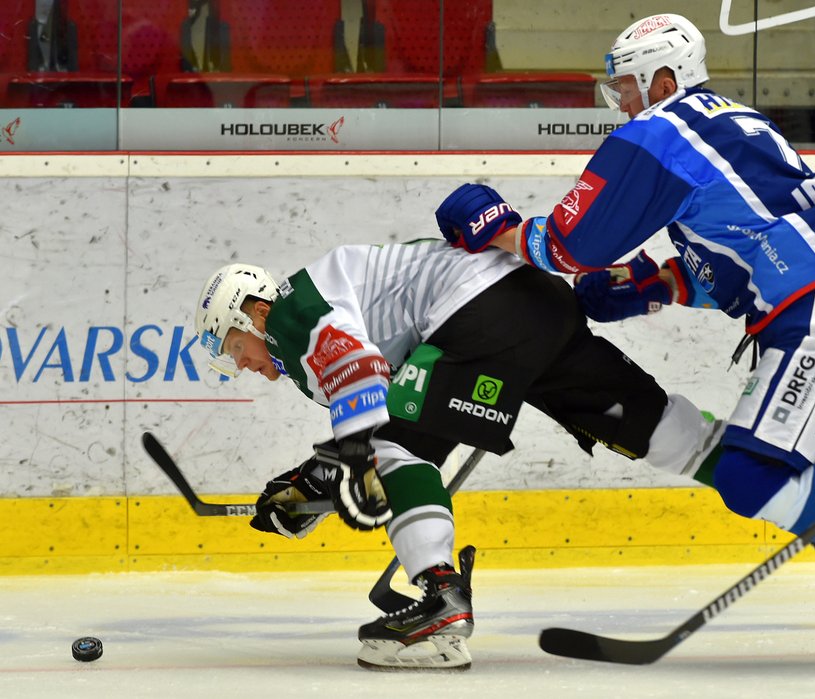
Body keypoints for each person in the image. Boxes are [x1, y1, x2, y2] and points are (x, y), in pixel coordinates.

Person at [432, 12, 815, 655]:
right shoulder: (725, 125)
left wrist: (499, 229)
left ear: (664, 78)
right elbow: (733, 262)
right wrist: (654, 285)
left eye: (629, 87)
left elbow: (572, 241)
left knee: (751, 476)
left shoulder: (666, 129)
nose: (623, 104)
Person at [192, 240, 724, 670]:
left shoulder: (291, 311)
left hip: (479, 311)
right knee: (663, 434)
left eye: (235, 348)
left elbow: (364, 383)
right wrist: (309, 485)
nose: (243, 365)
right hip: (535, 306)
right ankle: (778, 468)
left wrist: (351, 463)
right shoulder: (317, 321)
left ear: (255, 312)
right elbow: (399, 402)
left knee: (388, 451)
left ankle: (440, 601)